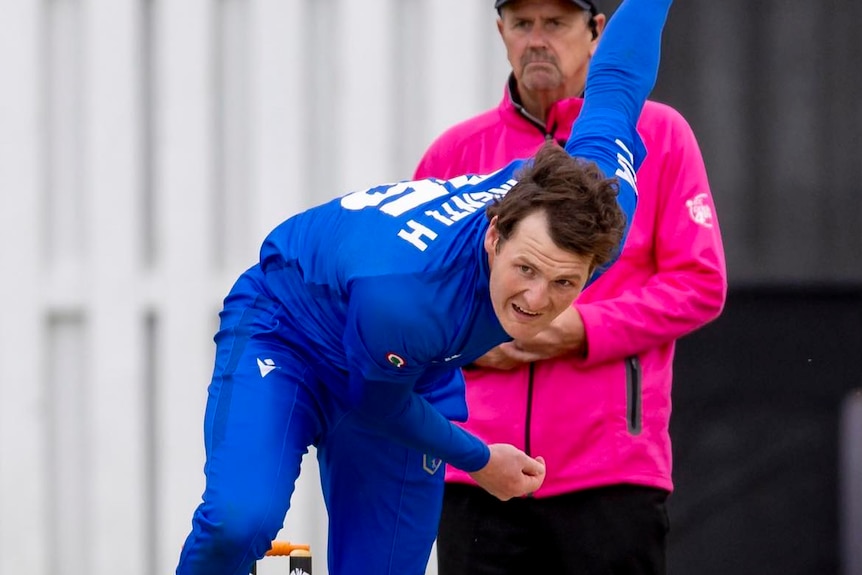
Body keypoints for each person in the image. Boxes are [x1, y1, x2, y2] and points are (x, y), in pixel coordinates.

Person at [176, 0, 674, 573]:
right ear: (493, 236)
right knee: (240, 521)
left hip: (404, 364)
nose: (538, 302)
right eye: (527, 269)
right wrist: (482, 459)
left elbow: (617, 82)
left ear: (594, 265)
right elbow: (377, 400)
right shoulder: (408, 296)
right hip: (291, 333)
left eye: (566, 282)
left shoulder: (597, 209)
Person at [413, 0, 727, 573]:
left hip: (610, 474)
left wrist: (582, 328)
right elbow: (420, 299)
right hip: (476, 471)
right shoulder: (454, 152)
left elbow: (700, 282)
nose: (537, 39)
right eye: (522, 23)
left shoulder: (661, 134)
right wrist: (478, 341)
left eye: (555, 23)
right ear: (500, 31)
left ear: (596, 33)